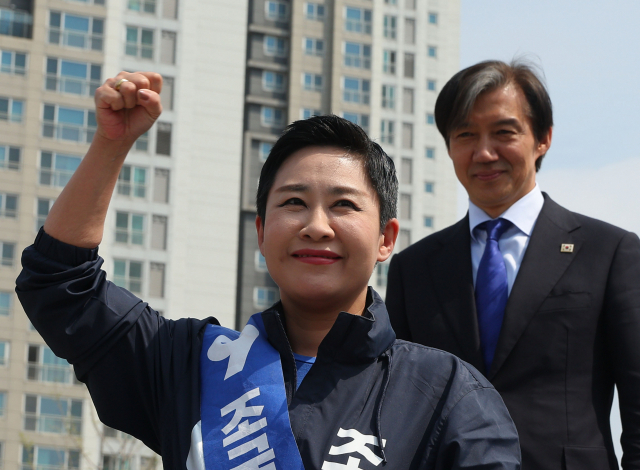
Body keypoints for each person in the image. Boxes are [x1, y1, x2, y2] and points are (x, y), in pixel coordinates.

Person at [16, 71, 521, 470]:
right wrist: (111, 144)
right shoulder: (191, 366)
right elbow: (61, 286)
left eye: (343, 205)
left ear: (386, 238)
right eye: (294, 202)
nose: (316, 226)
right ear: (261, 232)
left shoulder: (448, 394)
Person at [385, 59, 640, 470]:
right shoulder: (413, 268)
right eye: (466, 134)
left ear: (543, 139)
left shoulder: (609, 252)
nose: (484, 153)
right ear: (449, 147)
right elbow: (395, 403)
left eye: (504, 133)